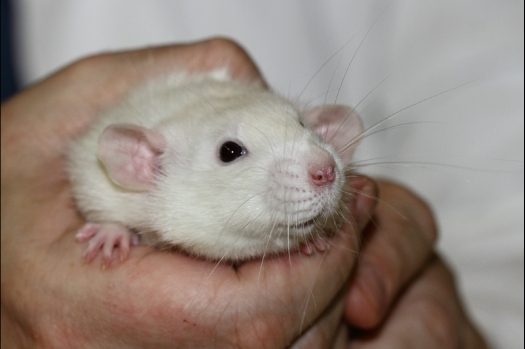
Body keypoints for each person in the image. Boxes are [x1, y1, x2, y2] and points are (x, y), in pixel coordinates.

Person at [1, 38, 487, 348]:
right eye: (232, 152)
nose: (324, 167)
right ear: (143, 165)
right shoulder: (132, 168)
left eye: (305, 130)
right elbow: (92, 168)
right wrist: (114, 225)